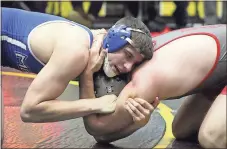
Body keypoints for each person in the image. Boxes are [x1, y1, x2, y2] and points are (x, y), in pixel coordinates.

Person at [82, 24, 226, 148]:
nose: (126, 66)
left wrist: (87, 74)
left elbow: (96, 129)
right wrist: (137, 124)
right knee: (182, 129)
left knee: (210, 137)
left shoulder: (144, 82)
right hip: (219, 71)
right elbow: (101, 137)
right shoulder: (133, 47)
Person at [1, 7, 154, 123]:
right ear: (113, 39)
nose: (128, 67)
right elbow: (29, 110)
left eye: (135, 63)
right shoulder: (76, 51)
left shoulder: (98, 51)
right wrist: (95, 104)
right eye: (128, 55)